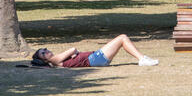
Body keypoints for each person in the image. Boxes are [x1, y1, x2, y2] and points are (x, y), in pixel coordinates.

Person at [31, 34, 159, 68]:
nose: (47, 51)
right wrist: (74, 51)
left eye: (45, 49)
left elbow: (72, 53)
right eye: (43, 53)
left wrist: (73, 53)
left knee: (121, 40)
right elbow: (72, 49)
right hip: (95, 58)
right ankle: (142, 59)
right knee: (122, 38)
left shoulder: (55, 60)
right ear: (43, 59)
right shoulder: (53, 60)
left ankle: (142, 58)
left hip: (95, 58)